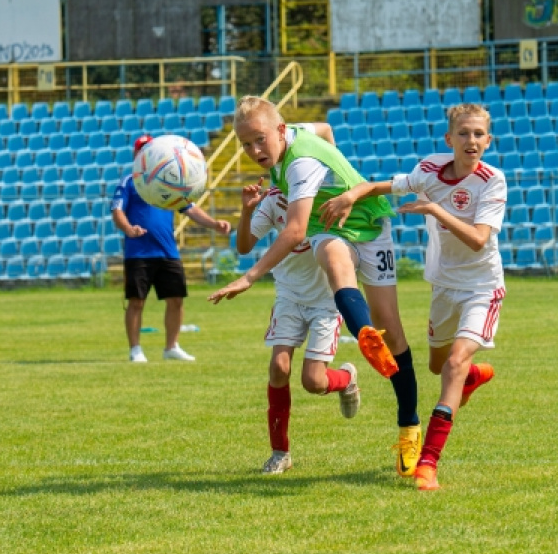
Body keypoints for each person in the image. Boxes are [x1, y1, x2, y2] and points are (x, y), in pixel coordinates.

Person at [208, 97, 422, 477]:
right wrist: (335, 168)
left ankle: (409, 426)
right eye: (245, 144)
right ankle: (364, 333)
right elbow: (324, 130)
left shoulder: (302, 164)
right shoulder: (297, 137)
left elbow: (293, 231)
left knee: (396, 334)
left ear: (279, 131)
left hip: (370, 224)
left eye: (259, 140)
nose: (254, 151)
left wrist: (249, 277)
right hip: (332, 227)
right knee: (334, 259)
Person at [320, 103, 506, 491]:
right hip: (444, 288)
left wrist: (436, 210)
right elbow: (383, 185)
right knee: (440, 367)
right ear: (449, 139)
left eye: (478, 135)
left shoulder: (492, 180)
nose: (471, 141)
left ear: (489, 141)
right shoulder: (429, 170)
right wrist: (353, 194)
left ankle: (428, 464)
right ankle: (471, 377)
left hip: (481, 288)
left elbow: (477, 240)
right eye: (464, 134)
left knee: (452, 363)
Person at [239, 168, 360, 475]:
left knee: (313, 382)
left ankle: (346, 379)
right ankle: (280, 453)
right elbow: (243, 246)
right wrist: (246, 211)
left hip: (325, 301)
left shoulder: (327, 198)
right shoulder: (272, 202)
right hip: (289, 297)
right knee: (278, 368)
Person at [111, 135, 231, 363]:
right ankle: (135, 349)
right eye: (141, 150)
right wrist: (128, 229)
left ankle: (171, 346)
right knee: (136, 302)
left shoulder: (169, 177)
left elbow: (190, 208)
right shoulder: (130, 181)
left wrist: (214, 224)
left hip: (167, 250)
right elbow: (117, 211)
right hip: (138, 252)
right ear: (136, 155)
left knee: (176, 300)